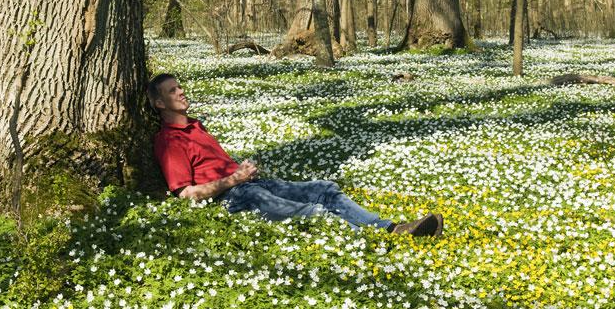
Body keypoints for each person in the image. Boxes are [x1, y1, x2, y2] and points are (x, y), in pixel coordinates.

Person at [147, 73, 444, 237]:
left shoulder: (196, 126)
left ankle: (391, 228)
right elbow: (186, 194)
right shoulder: (169, 141)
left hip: (251, 186)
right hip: (233, 198)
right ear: (160, 104)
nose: (181, 92)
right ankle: (372, 240)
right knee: (312, 212)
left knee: (324, 189)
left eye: (180, 87)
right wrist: (234, 180)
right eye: (173, 91)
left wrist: (243, 173)